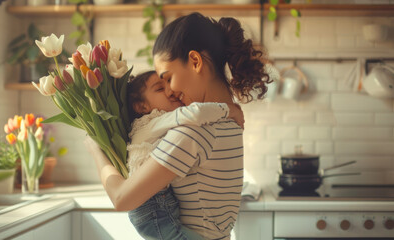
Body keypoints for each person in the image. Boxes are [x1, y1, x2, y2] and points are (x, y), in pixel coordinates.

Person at [85, 12, 269, 240]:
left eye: (168, 78)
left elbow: (122, 199)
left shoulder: (192, 133)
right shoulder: (229, 121)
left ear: (195, 61)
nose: (170, 91)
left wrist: (96, 148)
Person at [125, 70, 240, 240]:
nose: (170, 91)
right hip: (152, 207)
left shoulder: (159, 123)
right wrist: (229, 109)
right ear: (142, 107)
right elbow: (195, 114)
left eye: (169, 84)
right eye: (159, 89)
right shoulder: (150, 123)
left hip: (158, 203)